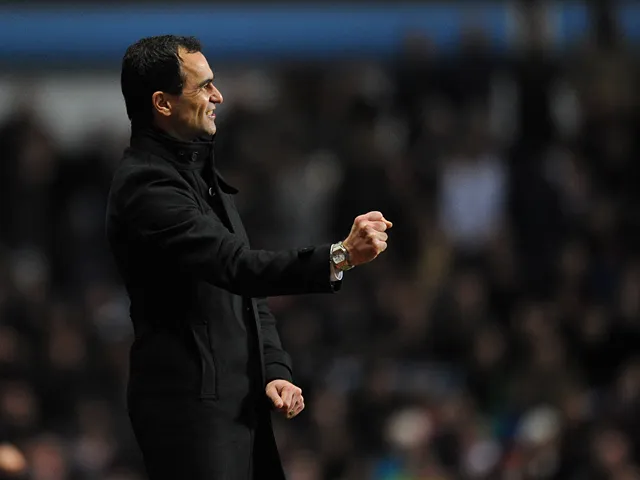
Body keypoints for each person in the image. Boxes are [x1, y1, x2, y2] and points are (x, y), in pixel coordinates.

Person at [105, 35, 392, 480]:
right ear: (162, 103)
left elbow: (246, 295)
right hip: (190, 414)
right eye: (203, 86)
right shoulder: (148, 188)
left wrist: (273, 368)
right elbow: (239, 268)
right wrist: (340, 255)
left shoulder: (199, 177)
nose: (217, 96)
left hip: (236, 407)